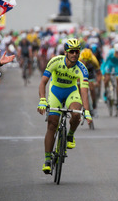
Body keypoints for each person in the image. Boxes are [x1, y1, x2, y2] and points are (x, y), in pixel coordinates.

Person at [37, 38, 92, 174]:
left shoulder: (82, 68)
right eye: (72, 51)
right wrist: (42, 100)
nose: (74, 54)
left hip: (71, 92)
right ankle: (47, 159)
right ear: (66, 52)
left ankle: (70, 135)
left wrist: (87, 111)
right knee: (52, 124)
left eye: (77, 52)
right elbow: (43, 82)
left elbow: (84, 90)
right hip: (56, 91)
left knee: (75, 114)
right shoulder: (55, 61)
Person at [102, 43, 118, 109]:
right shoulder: (110, 53)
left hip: (117, 66)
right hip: (109, 65)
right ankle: (105, 92)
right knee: (107, 79)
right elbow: (105, 62)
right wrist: (104, 72)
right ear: (115, 51)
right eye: (117, 52)